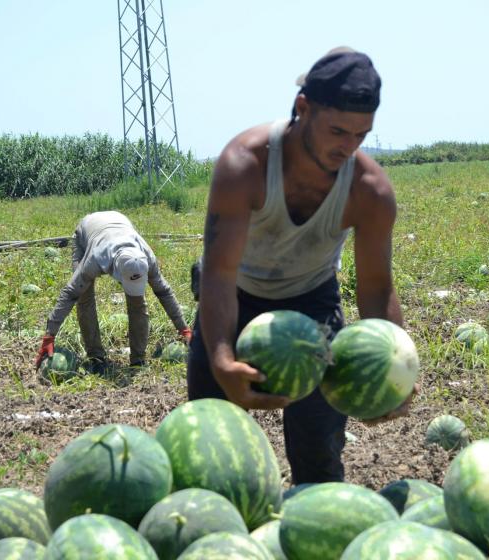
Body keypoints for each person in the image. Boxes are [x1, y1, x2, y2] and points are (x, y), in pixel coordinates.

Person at [187, 47, 413, 484]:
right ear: (302, 108)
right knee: (211, 445)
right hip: (236, 295)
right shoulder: (245, 165)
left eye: (361, 135)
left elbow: (376, 287)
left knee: (318, 451)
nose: (348, 147)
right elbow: (218, 273)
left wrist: (396, 372)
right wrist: (221, 358)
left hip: (312, 300)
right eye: (337, 131)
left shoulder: (370, 191)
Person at [35, 210, 192, 372]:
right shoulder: (94, 260)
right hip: (86, 233)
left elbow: (164, 292)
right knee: (84, 296)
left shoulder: (147, 258)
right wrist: (50, 335)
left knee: (137, 303)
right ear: (116, 271)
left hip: (119, 224)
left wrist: (184, 329)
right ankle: (96, 358)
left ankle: (138, 360)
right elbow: (70, 293)